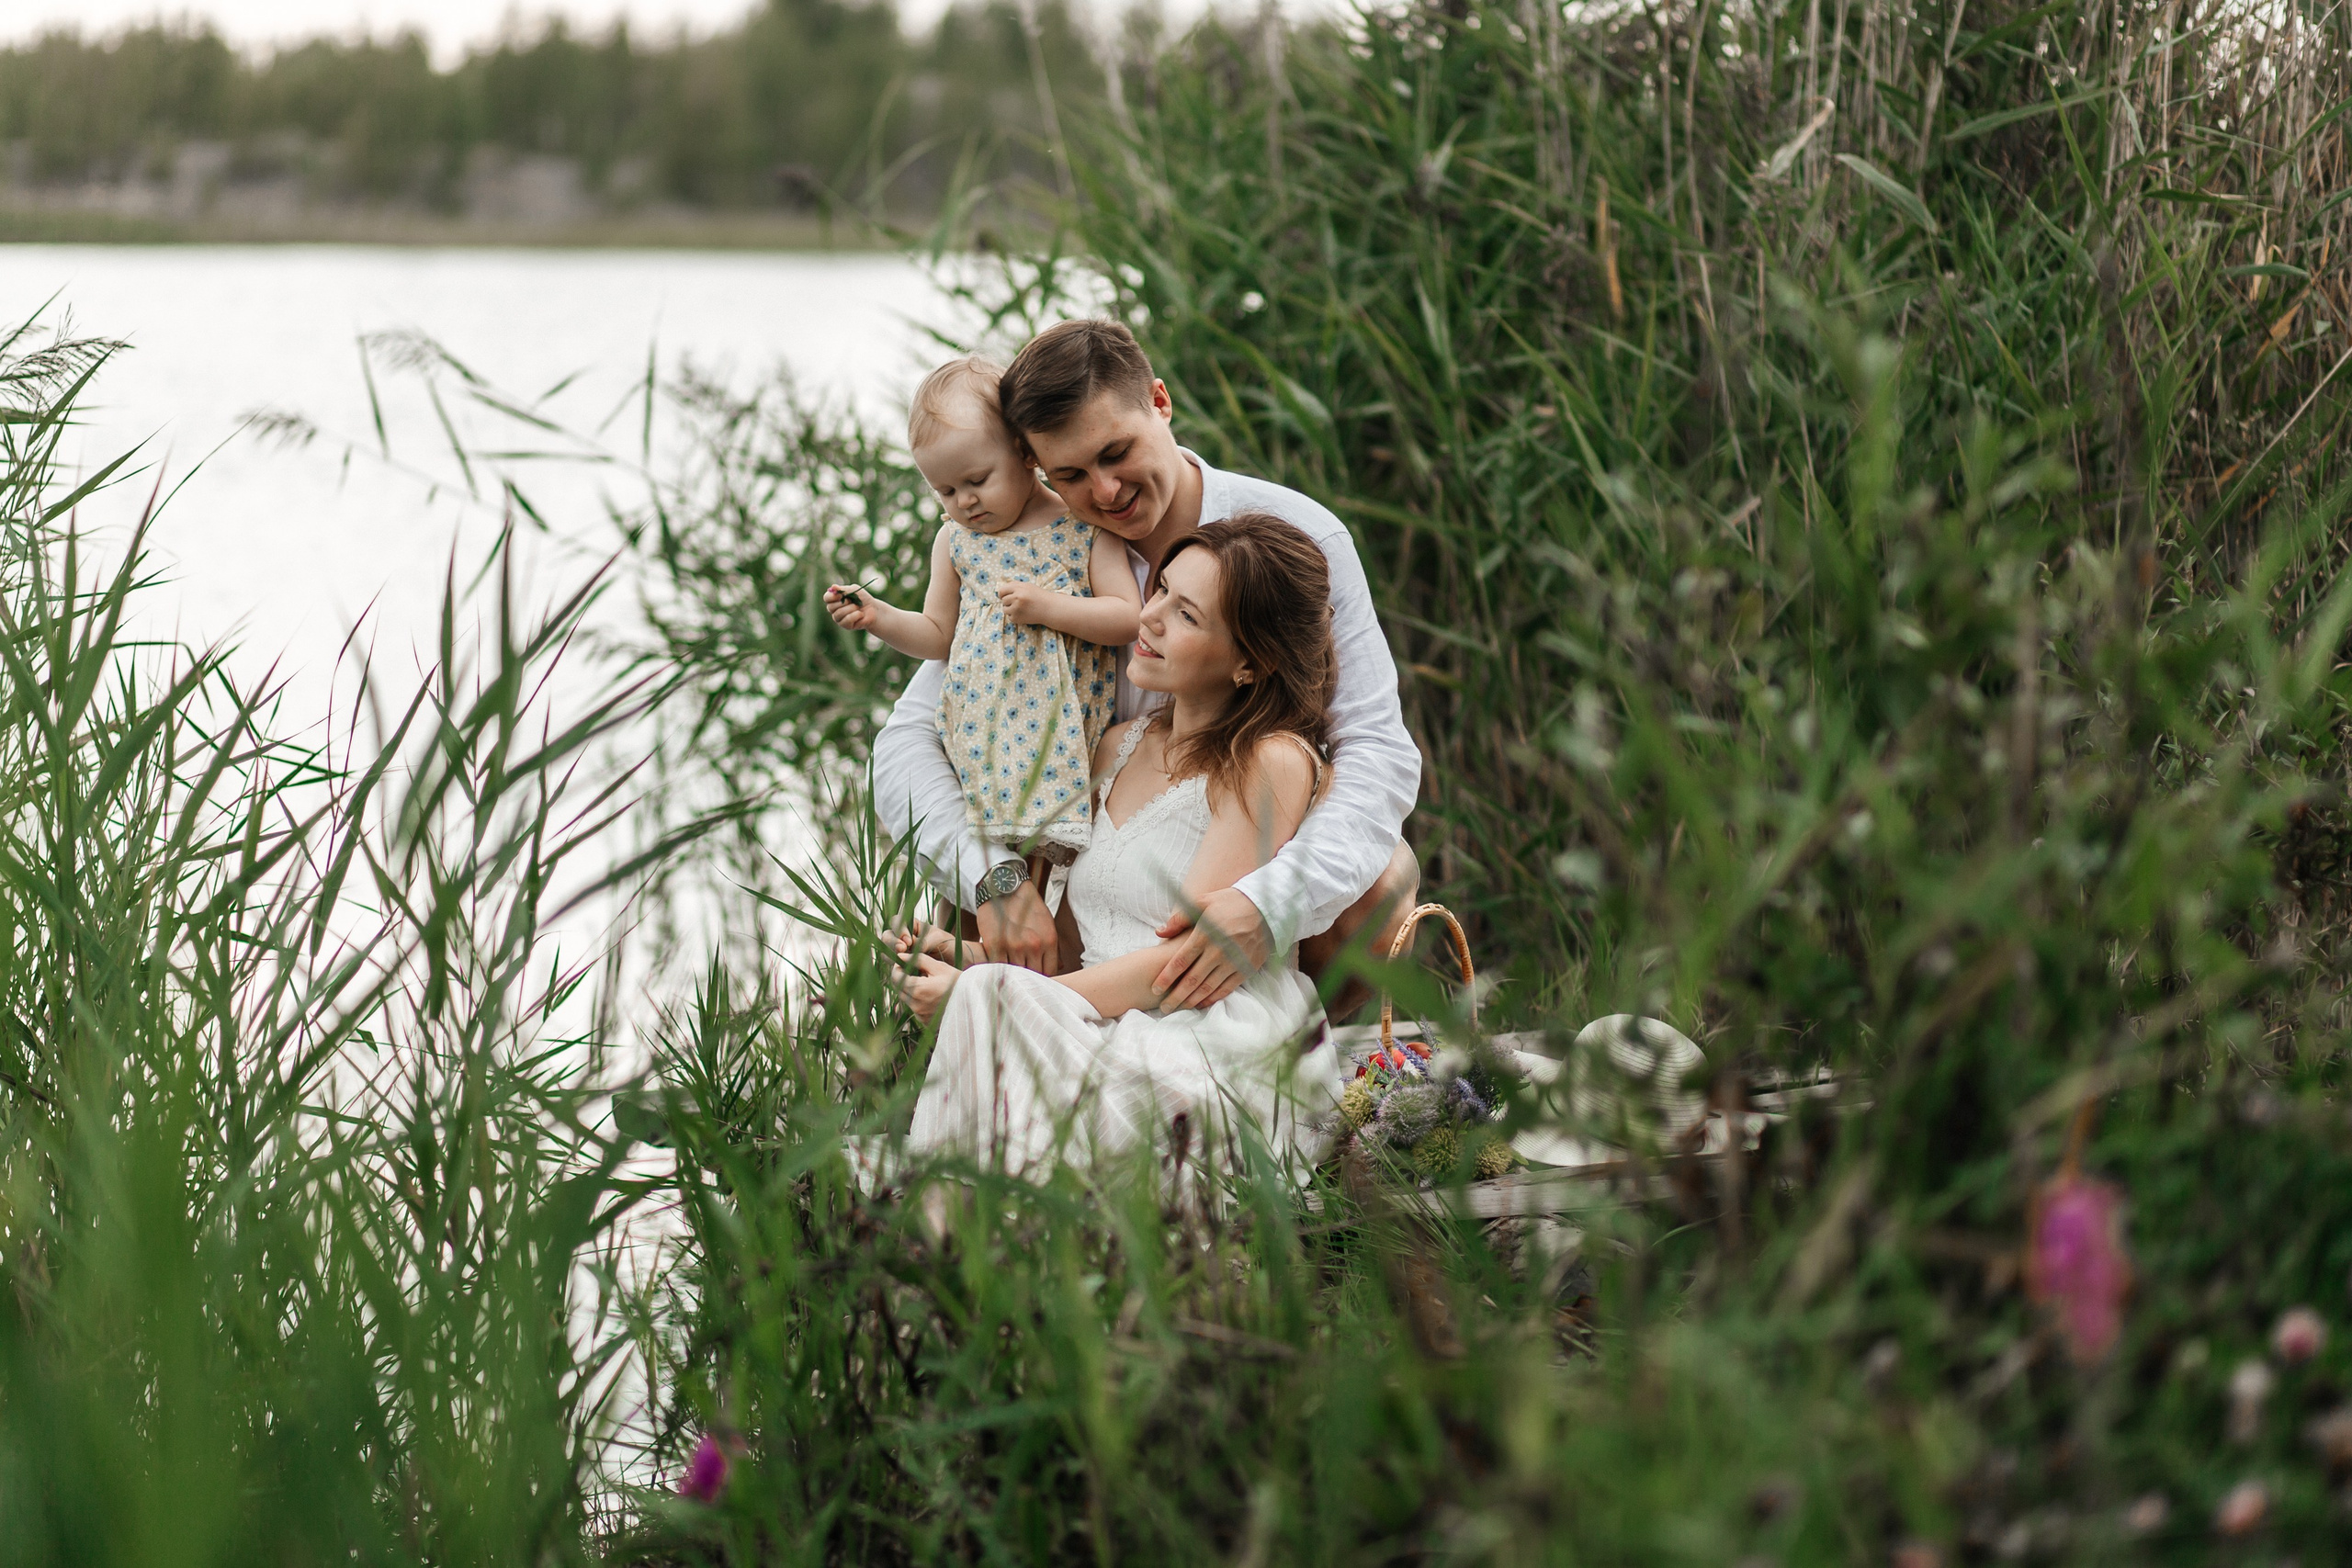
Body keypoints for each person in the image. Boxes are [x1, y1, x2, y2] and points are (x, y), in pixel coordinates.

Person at [874, 321, 1422, 1014]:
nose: (1104, 491)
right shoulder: (1030, 555)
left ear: (1159, 401)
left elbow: (1376, 747)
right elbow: (903, 745)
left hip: (1236, 850)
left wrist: (1272, 901)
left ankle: (1297, 1054)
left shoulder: (1297, 538)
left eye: (1116, 452)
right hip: (1085, 862)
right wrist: (994, 880)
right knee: (975, 913)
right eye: (1068, 474)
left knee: (1381, 880)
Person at [894, 514, 1346, 1175]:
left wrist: (985, 997)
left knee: (1008, 1049)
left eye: (1186, 614)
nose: (1150, 616)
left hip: (1209, 1037)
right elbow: (1075, 948)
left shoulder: (1268, 759)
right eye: (1159, 589)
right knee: (1001, 1054)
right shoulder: (1116, 745)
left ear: (1252, 661)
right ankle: (965, 1256)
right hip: (1106, 1019)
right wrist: (967, 962)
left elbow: (1182, 969)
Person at [827, 355, 1142, 873]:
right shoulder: (956, 542)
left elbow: (1126, 616)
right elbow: (937, 636)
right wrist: (879, 618)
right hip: (983, 743)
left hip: (1064, 736)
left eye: (977, 480)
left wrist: (1048, 607)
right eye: (945, 491)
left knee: (1061, 872)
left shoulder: (1081, 527)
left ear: (1024, 453)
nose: (965, 502)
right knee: (991, 870)